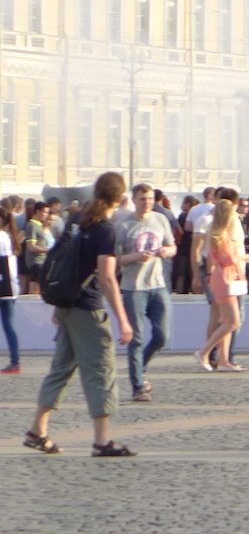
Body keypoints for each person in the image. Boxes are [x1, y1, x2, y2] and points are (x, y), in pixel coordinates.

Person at [26, 172, 137, 457]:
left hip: (67, 304)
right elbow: (108, 277)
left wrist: (59, 304)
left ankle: (38, 430)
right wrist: (123, 320)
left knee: (61, 367)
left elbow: (60, 259)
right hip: (87, 307)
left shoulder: (78, 219)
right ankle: (102, 441)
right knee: (100, 369)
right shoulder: (106, 229)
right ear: (121, 197)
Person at [115, 183, 176, 403]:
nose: (147, 202)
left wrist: (166, 251)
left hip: (158, 285)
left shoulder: (160, 220)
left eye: (150, 198)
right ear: (134, 199)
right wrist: (135, 257)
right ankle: (138, 386)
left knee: (162, 336)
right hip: (134, 287)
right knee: (137, 338)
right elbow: (116, 259)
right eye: (143, 198)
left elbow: (173, 246)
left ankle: (142, 367)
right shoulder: (123, 226)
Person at [193, 199, 245, 373]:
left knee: (226, 320)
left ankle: (223, 359)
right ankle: (204, 352)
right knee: (233, 322)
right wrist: (244, 257)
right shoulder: (220, 234)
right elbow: (228, 259)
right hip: (224, 278)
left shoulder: (217, 232)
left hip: (221, 277)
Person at [0, 202, 20, 373]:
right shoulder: (9, 236)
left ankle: (15, 361)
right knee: (9, 324)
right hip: (10, 286)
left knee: (8, 325)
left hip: (4, 286)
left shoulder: (1, 237)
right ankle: (15, 360)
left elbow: (2, 265)